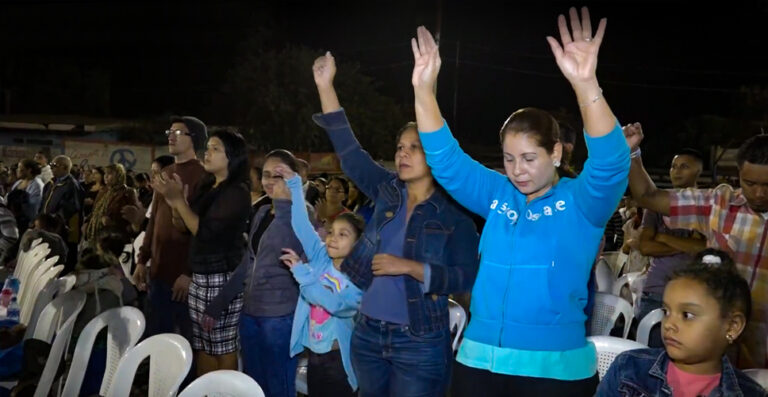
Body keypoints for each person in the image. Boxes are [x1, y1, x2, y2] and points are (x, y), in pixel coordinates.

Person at [411, 8, 629, 395]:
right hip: (478, 363)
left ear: (557, 152)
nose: (517, 170)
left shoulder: (582, 203)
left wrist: (585, 84)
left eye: (529, 159)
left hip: (555, 372)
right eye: (509, 159)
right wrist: (424, 90)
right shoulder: (499, 195)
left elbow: (611, 164)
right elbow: (446, 160)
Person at [312, 50, 480, 396]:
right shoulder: (388, 190)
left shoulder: (455, 212)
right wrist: (325, 86)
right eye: (400, 147)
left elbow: (465, 275)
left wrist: (410, 267)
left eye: (414, 148)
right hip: (368, 332)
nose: (402, 154)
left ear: (435, 154)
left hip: (418, 341)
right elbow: (350, 153)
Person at [627, 127, 768, 368]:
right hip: (718, 349)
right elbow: (648, 195)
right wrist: (631, 153)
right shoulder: (719, 204)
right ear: (738, 174)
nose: (759, 193)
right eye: (750, 183)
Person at [207, 149, 309, 396]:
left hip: (279, 318)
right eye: (266, 175)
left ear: (293, 178)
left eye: (279, 175)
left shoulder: (302, 214)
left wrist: (288, 197)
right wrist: (218, 303)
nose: (270, 181)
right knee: (254, 385)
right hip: (251, 314)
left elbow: (301, 253)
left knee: (280, 385)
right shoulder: (262, 212)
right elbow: (247, 264)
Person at [595, 250, 767, 397]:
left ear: (732, 326)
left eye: (687, 315)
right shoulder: (629, 369)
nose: (669, 323)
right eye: (666, 311)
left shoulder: (749, 393)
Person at [152, 129, 250, 376]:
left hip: (221, 279)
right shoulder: (209, 186)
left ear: (232, 157)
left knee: (222, 347)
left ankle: (225, 392)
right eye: (208, 147)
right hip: (201, 276)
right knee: (204, 346)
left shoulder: (236, 192)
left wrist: (180, 203)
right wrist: (175, 203)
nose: (208, 152)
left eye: (215, 148)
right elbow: (184, 226)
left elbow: (206, 232)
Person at [276, 165, 364, 396]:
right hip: (314, 357)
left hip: (337, 363)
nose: (333, 238)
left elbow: (334, 304)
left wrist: (303, 273)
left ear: (357, 246)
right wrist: (295, 185)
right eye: (332, 231)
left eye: (343, 234)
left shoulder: (357, 280)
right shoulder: (321, 257)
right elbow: (301, 226)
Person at [134, 122, 206, 343]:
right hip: (158, 273)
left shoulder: (203, 176)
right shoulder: (165, 173)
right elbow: (154, 220)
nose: (171, 137)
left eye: (177, 133)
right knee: (156, 340)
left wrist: (190, 273)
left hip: (184, 279)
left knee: (184, 344)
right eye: (169, 132)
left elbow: (203, 232)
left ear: (194, 138)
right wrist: (142, 260)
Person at [636, 147, 706, 347]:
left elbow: (705, 248)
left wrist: (663, 237)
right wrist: (688, 245)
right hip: (656, 292)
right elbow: (646, 247)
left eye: (684, 166)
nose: (676, 171)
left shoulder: (706, 206)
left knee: (685, 356)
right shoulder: (656, 206)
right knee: (651, 357)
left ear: (699, 171)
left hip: (694, 293)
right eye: (674, 166)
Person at [40, 155, 84, 272]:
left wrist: (54, 221)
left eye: (54, 165)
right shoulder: (50, 183)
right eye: (51, 165)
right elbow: (43, 203)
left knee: (62, 259)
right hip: (47, 226)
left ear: (64, 168)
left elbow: (71, 208)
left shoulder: (72, 185)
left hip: (62, 230)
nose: (51, 168)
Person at [84, 164, 139, 244]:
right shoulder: (103, 191)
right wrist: (87, 223)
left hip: (116, 237)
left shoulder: (128, 192)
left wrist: (113, 224)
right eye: (105, 173)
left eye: (109, 173)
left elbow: (133, 217)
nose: (106, 176)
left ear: (119, 175)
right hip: (98, 235)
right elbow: (94, 211)